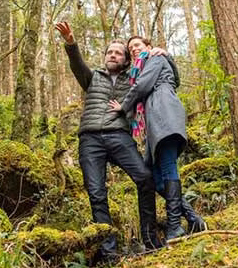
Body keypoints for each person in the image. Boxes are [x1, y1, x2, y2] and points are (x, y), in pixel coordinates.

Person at [54, 20, 162, 255]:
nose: (113, 55)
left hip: (119, 136)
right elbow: (77, 65)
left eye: (118, 53)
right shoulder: (93, 78)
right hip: (90, 139)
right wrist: (71, 43)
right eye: (110, 52)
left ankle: (150, 240)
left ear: (126, 60)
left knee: (145, 178)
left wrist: (157, 51)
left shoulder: (133, 78)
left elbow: (152, 69)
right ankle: (108, 252)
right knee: (96, 192)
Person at [109, 36, 205, 241]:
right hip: (155, 120)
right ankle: (193, 218)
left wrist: (123, 106)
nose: (134, 49)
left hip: (165, 112)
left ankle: (174, 226)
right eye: (130, 48)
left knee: (168, 165)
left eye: (137, 45)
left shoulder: (155, 58)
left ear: (149, 47)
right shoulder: (144, 65)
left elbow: (143, 85)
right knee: (151, 175)